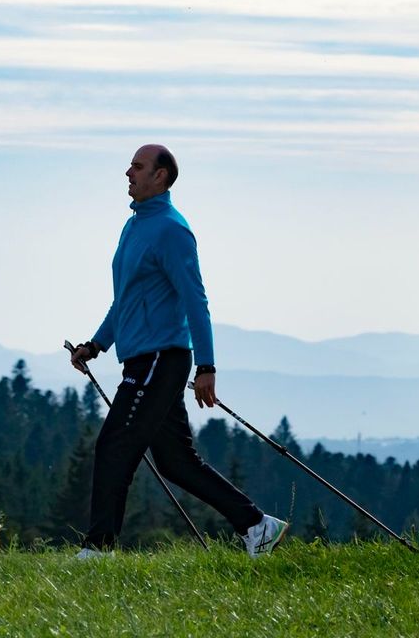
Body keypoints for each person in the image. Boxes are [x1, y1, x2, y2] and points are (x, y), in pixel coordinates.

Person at [69, 144, 287, 557]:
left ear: (161, 176)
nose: (128, 173)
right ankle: (257, 525)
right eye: (130, 166)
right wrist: (96, 345)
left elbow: (195, 300)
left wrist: (207, 365)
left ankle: (97, 551)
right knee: (175, 462)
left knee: (115, 444)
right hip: (144, 358)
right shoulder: (134, 226)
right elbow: (126, 300)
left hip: (160, 359)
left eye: (137, 166)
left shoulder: (172, 230)